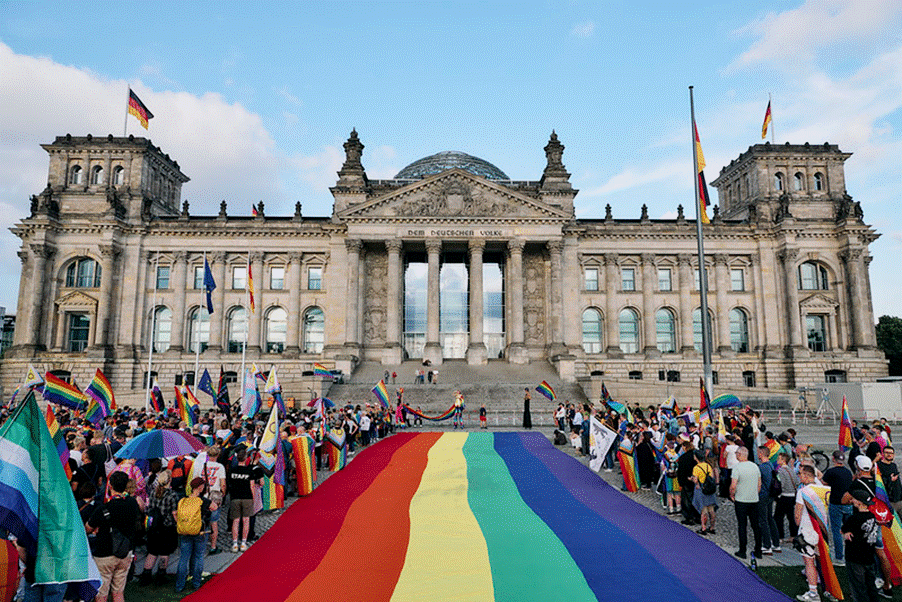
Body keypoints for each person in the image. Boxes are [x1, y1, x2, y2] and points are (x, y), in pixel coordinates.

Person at [87, 471, 143, 602]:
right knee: (118, 592)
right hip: (125, 551)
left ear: (110, 486)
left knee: (102, 594)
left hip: (105, 553)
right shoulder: (132, 503)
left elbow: (88, 528)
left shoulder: (104, 508)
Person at [841, 489, 885, 602]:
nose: (852, 500)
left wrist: (846, 533)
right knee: (871, 585)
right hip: (869, 556)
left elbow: (843, 530)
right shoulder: (873, 516)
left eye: (854, 499)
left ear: (859, 502)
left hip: (855, 557)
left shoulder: (854, 518)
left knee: (858, 588)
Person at [175, 477, 217, 593]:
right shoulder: (204, 501)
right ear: (200, 487)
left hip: (185, 531)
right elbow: (215, 507)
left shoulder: (183, 500)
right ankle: (196, 583)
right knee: (199, 556)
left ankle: (179, 585)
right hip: (200, 532)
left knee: (183, 558)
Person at [142, 469, 178, 585]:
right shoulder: (172, 495)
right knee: (164, 552)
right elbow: (174, 513)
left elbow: (149, 508)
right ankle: (161, 575)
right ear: (169, 481)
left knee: (152, 551)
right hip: (167, 527)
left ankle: (146, 575)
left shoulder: (153, 492)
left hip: (154, 526)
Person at [795, 464, 825, 602]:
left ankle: (813, 592)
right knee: (822, 561)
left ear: (806, 476)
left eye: (800, 474)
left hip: (807, 529)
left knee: (809, 562)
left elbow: (797, 515)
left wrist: (799, 525)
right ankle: (827, 589)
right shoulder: (823, 489)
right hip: (822, 529)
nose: (799, 476)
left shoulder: (803, 491)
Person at [227, 446, 263, 552]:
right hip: (247, 497)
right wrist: (252, 499)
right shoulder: (249, 471)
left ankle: (234, 543)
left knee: (235, 521)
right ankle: (243, 543)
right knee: (246, 520)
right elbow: (252, 486)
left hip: (235, 497)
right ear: (245, 458)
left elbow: (230, 484)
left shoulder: (232, 470)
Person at [822, 449, 854, 566]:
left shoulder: (831, 472)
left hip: (835, 503)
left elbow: (824, 482)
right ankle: (851, 555)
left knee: (836, 530)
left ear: (833, 459)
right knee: (849, 529)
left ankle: (839, 557)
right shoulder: (848, 472)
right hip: (848, 504)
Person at [730, 446, 762, 561]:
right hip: (753, 500)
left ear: (739, 455)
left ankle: (742, 550)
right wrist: (754, 493)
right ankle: (758, 550)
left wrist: (732, 494)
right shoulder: (755, 466)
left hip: (741, 500)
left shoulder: (737, 468)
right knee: (755, 526)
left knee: (742, 525)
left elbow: (733, 485)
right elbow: (759, 484)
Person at [756, 445, 781, 554]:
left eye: (758, 453)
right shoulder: (770, 465)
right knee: (770, 518)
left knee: (763, 520)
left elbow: (759, 483)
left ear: (761, 454)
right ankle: (776, 543)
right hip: (771, 495)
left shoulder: (762, 467)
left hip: (763, 495)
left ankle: (767, 545)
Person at [691, 449, 718, 535]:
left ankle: (703, 528)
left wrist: (692, 479)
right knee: (711, 509)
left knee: (704, 510)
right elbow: (712, 477)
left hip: (701, 489)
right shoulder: (708, 465)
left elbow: (695, 480)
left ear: (696, 457)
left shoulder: (696, 468)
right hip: (710, 488)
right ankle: (712, 527)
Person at [774, 452, 800, 541]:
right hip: (792, 496)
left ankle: (779, 536)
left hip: (784, 496)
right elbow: (797, 482)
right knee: (791, 517)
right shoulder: (791, 470)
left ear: (783, 460)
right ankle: (793, 535)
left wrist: (777, 494)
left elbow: (781, 485)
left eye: (779, 459)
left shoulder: (781, 471)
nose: (777, 460)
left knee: (778, 516)